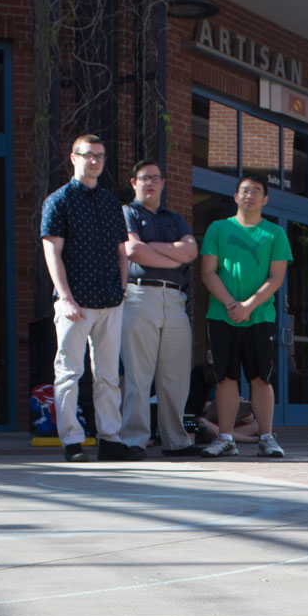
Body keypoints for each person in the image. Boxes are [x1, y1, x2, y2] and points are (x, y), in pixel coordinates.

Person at [40, 134, 136, 463]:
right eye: (88, 155)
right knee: (69, 373)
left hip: (110, 300)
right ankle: (72, 442)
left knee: (108, 376)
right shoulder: (59, 201)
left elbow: (121, 253)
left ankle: (109, 438)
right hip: (75, 302)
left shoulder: (111, 204)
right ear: (74, 158)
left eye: (99, 155)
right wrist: (65, 298)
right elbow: (52, 253)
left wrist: (121, 290)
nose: (94, 160)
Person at [199, 173, 292, 458]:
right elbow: (208, 272)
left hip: (260, 316)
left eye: (256, 191)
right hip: (221, 314)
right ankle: (226, 438)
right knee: (225, 377)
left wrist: (249, 306)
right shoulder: (218, 229)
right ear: (236, 197)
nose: (249, 195)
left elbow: (276, 278)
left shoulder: (275, 234)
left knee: (261, 377)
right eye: (244, 190)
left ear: (265, 199)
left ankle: (266, 437)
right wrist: (231, 304)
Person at [119, 159, 201, 458]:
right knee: (138, 375)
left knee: (176, 376)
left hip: (175, 299)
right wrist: (174, 256)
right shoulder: (127, 213)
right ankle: (134, 441)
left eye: (156, 178)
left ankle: (176, 441)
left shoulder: (175, 218)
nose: (150, 183)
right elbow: (132, 250)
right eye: (144, 178)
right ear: (134, 183)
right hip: (140, 296)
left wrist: (154, 250)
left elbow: (191, 251)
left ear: (163, 183)